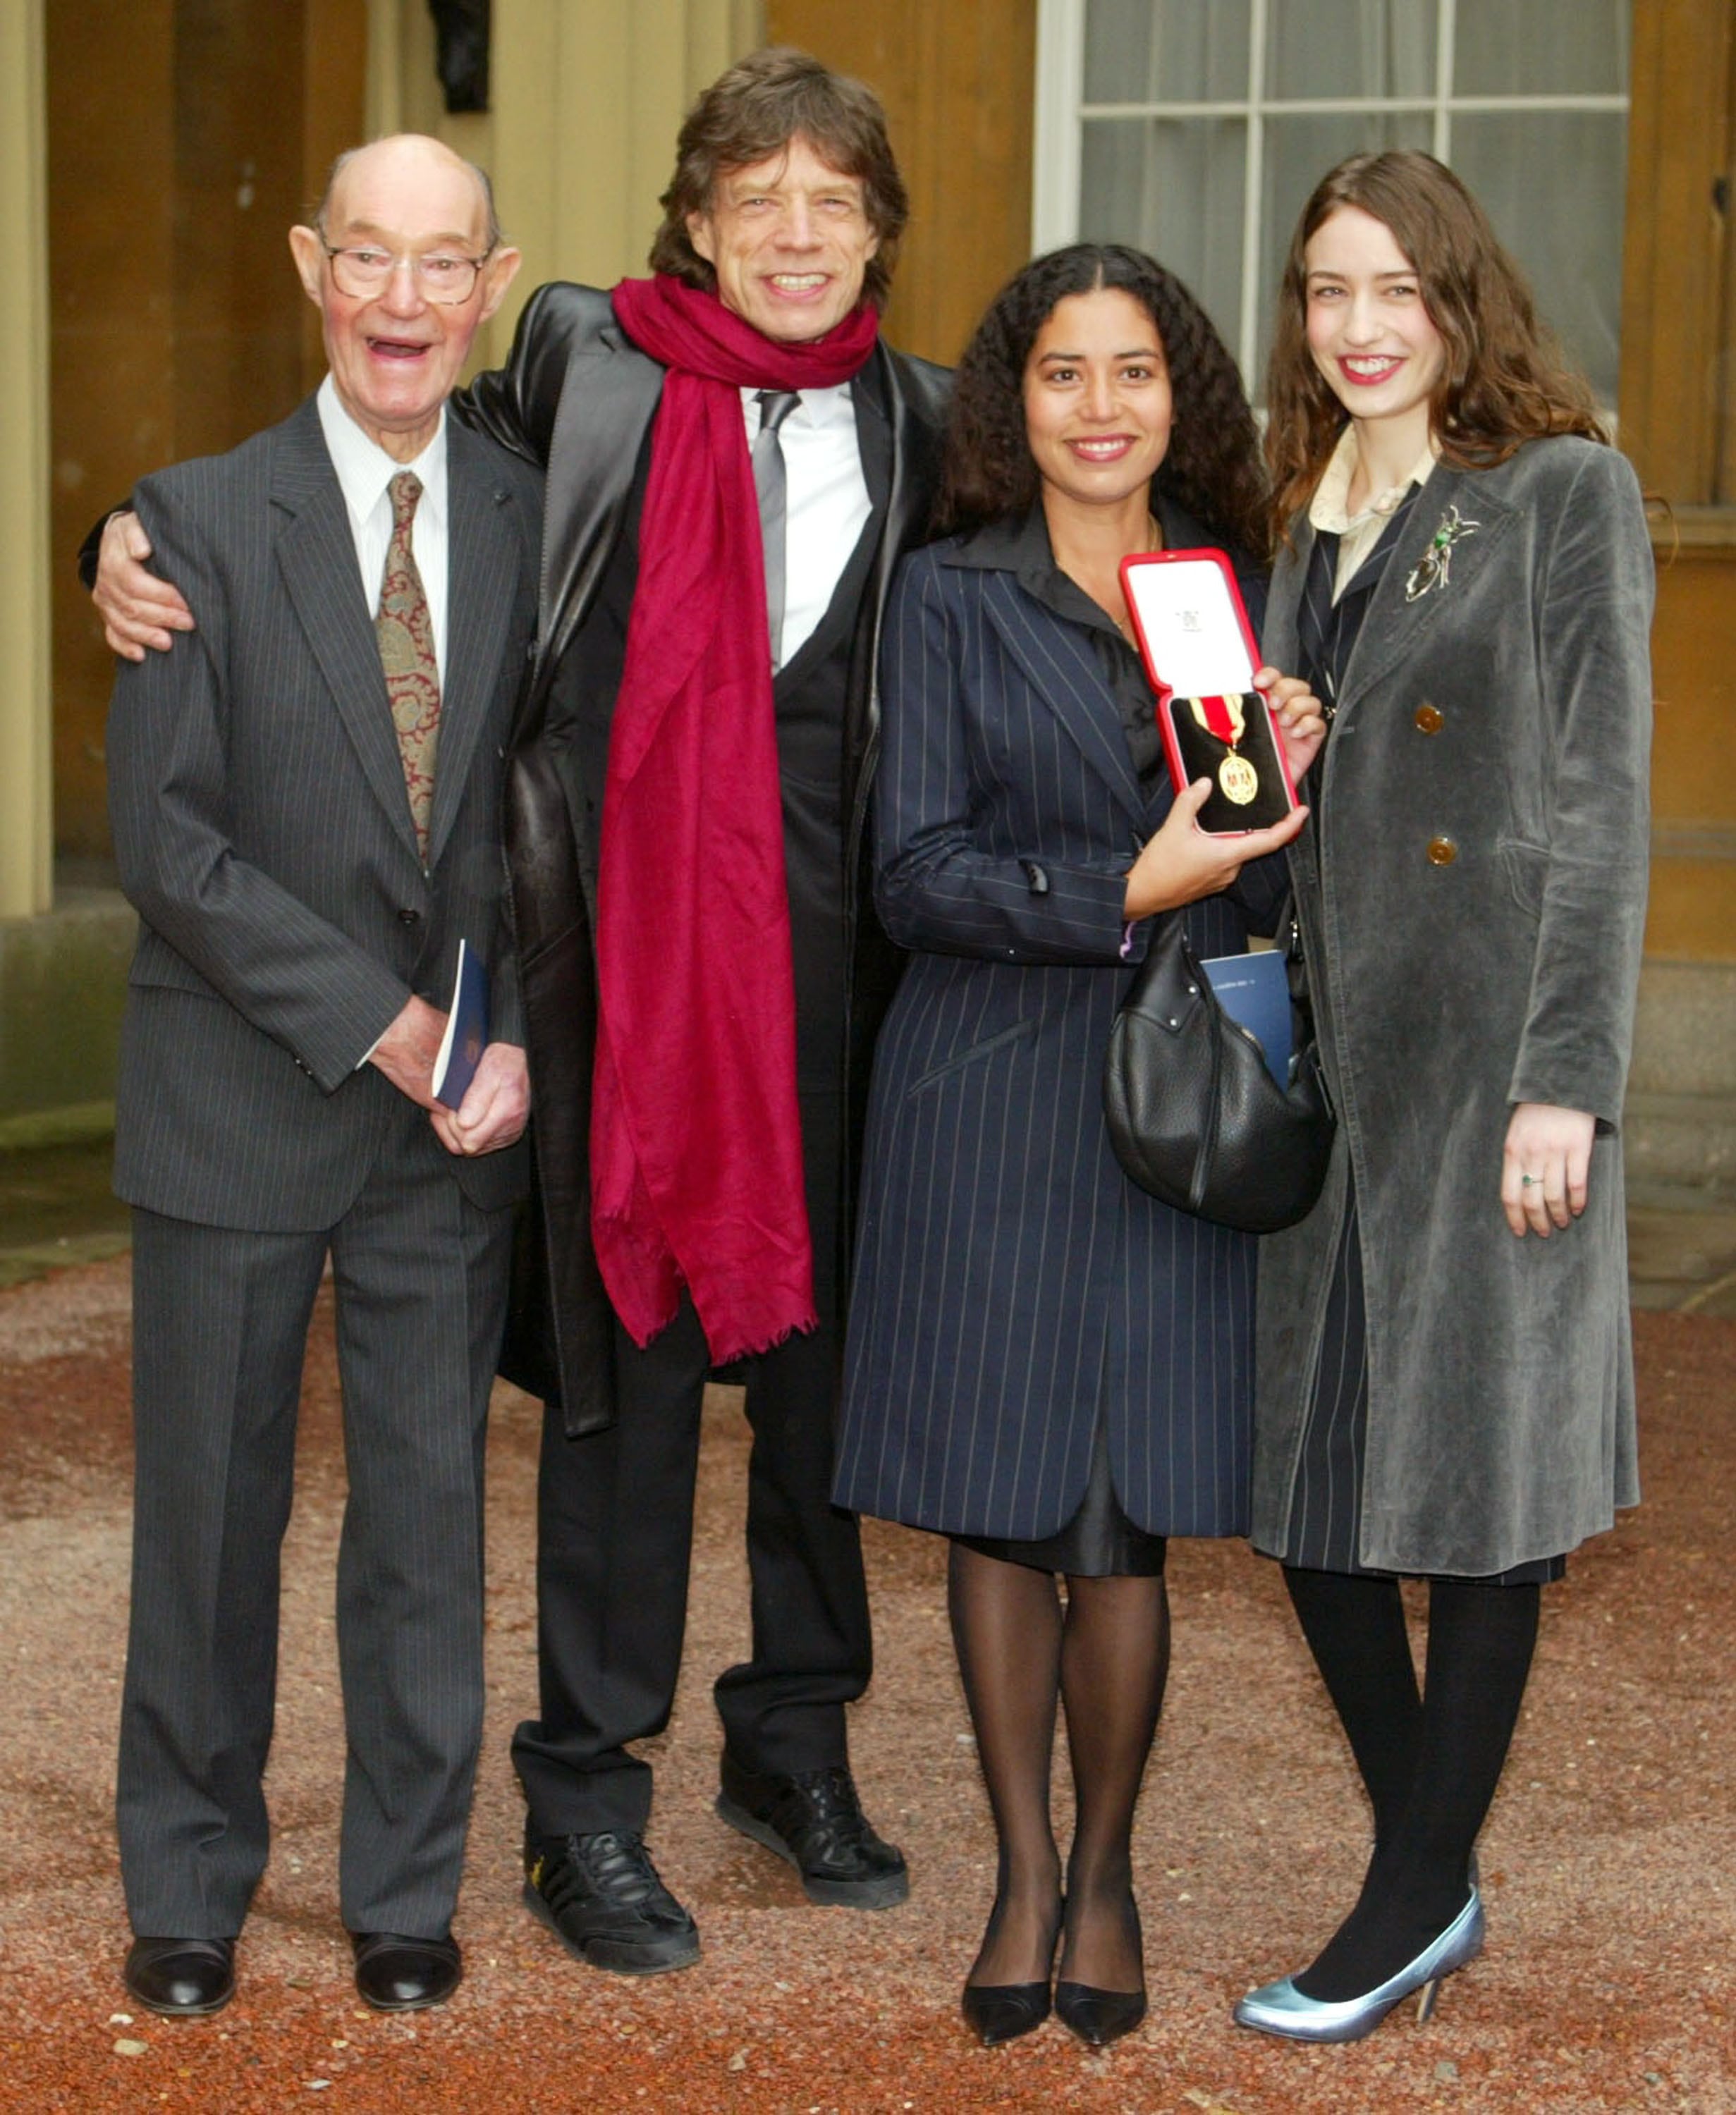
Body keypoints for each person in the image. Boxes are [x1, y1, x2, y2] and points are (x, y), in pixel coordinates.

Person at [94, 50, 951, 1975]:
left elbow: (1065, 564)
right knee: (370, 1483)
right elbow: (199, 789)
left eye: (832, 198)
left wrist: (1251, 697)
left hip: (714, 1016)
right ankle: (373, 1852)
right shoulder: (572, 393)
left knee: (676, 1445)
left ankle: (635, 1807)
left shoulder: (907, 426)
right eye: (757, 199)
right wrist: (114, 551)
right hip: (462, 1026)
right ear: (694, 224)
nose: (795, 232)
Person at [832, 244, 1325, 2048]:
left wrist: (1286, 770)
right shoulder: (948, 598)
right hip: (985, 1083)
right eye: (1062, 374)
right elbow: (913, 872)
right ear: (1012, 402)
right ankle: (1020, 1872)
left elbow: (1261, 863)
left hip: (1175, 1099)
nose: (1100, 407)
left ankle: (1106, 1872)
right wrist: (1127, 882)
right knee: (996, 1496)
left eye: (1133, 371)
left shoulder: (1236, 596)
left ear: (1177, 394)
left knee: (1116, 1522)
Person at [103, 135, 537, 2018]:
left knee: (427, 1521)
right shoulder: (187, 522)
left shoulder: (538, 517)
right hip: (237, 1101)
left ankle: (401, 1895)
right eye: (368, 255)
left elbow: (560, 812)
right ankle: (190, 1884)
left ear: (491, 285)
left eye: (443, 266)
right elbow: (166, 840)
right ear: (309, 264)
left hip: (456, 1129)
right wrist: (395, 1024)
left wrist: (505, 1025)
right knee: (208, 1520)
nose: (401, 301)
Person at [1234, 151, 1652, 2044]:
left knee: (1480, 1493)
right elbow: (1272, 826)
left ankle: (1404, 1894)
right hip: (1333, 1067)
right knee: (1308, 1500)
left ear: (1456, 297)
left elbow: (1591, 809)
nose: (1356, 325)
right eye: (1325, 290)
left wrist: (1564, 1078)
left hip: (1491, 1070)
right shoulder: (1296, 520)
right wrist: (1267, 751)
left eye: (1393, 287)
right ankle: (1437, 1860)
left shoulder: (1558, 491)